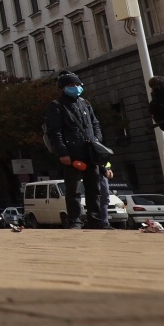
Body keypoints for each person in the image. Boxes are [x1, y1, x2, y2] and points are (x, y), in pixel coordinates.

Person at [45, 71, 108, 229]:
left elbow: (95, 124)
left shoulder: (85, 103)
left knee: (94, 189)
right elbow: (55, 132)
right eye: (72, 85)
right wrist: (63, 153)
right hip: (72, 154)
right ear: (63, 88)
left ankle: (96, 220)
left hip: (90, 152)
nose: (76, 88)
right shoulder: (57, 106)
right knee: (73, 190)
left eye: (78, 85)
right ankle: (75, 221)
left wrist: (97, 140)